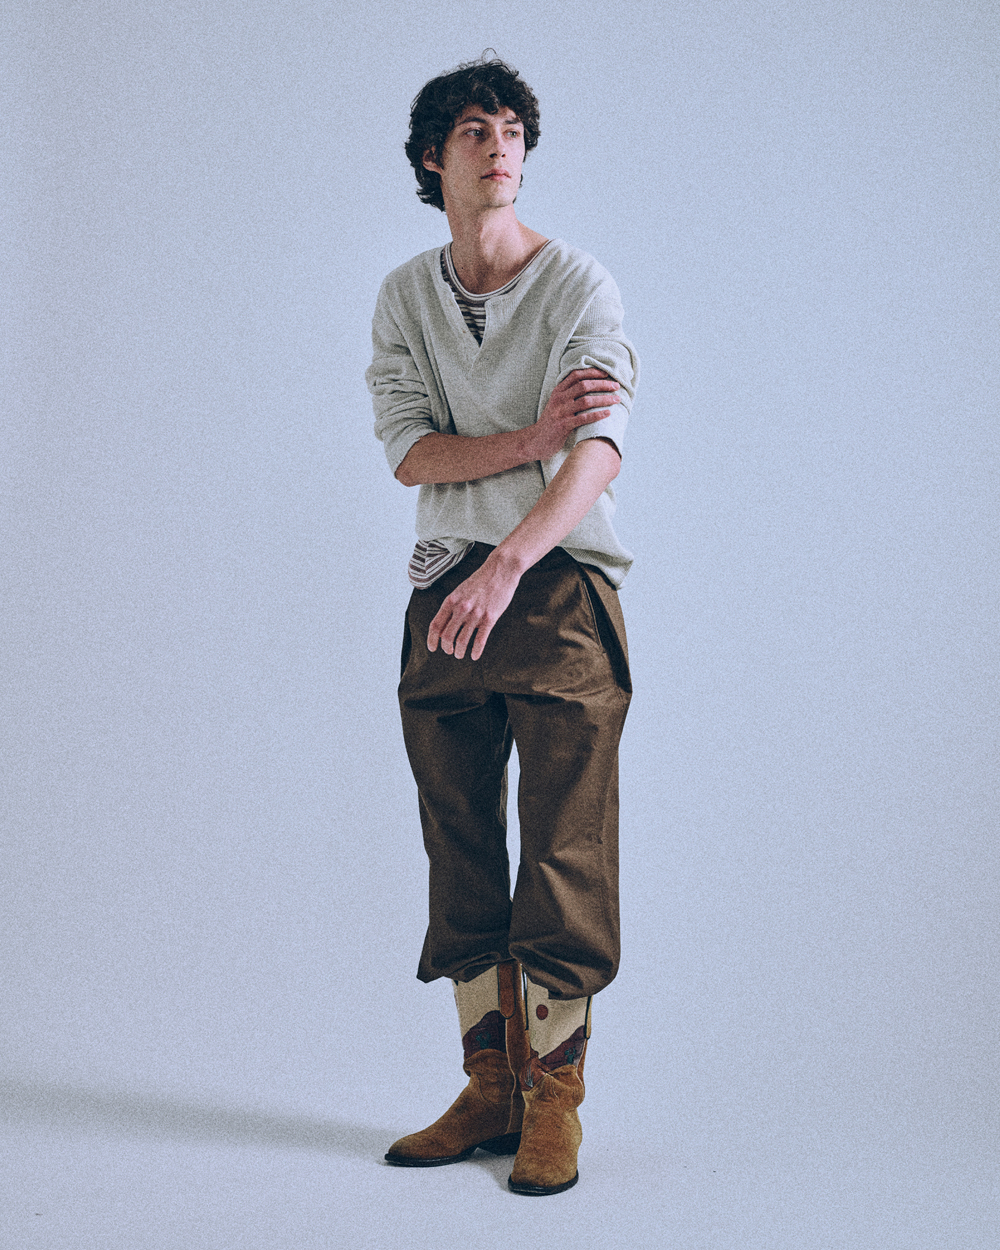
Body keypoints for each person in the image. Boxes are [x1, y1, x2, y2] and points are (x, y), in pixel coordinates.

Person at [366, 55, 638, 1196]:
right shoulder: (406, 297)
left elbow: (600, 447)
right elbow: (410, 452)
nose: (500, 146)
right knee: (459, 837)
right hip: (444, 587)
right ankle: (490, 1086)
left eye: (513, 128)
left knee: (566, 846)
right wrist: (528, 439)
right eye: (475, 129)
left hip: (557, 586)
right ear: (434, 158)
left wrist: (511, 557)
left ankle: (554, 1102)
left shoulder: (577, 283)